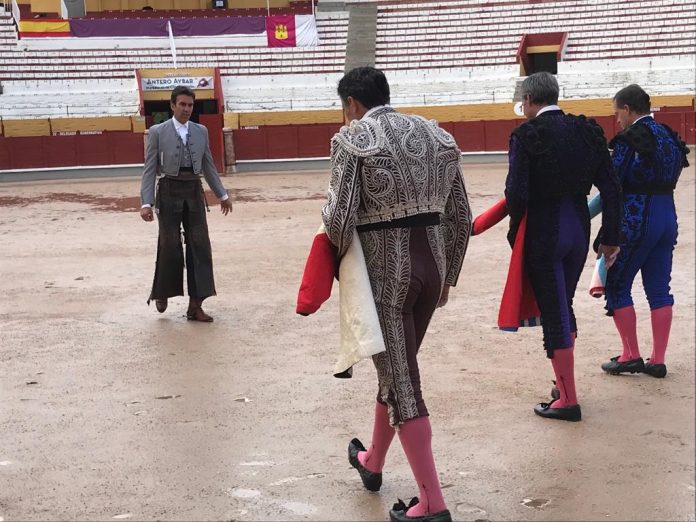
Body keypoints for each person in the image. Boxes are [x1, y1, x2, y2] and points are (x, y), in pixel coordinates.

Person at [321, 66, 471, 522]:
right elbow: (461, 218)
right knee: (397, 371)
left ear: (351, 103)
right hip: (432, 268)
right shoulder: (437, 136)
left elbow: (339, 221)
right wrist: (448, 277)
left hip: (387, 275)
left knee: (403, 382)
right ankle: (373, 463)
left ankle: (432, 503)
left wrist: (339, 258)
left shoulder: (352, 139)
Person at [504, 72, 622, 421]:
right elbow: (612, 188)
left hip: (545, 232)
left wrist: (516, 234)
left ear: (528, 100)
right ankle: (562, 384)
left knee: (554, 311)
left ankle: (568, 400)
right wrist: (610, 238)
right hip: (578, 229)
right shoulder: (587, 131)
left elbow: (517, 194)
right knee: (562, 304)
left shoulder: (525, 135)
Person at [600, 84, 689, 378]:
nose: (617, 121)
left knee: (616, 284)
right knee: (659, 289)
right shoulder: (668, 135)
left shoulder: (630, 139)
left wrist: (593, 220)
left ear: (627, 109)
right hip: (667, 215)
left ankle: (630, 355)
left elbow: (612, 186)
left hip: (637, 218)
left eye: (617, 114)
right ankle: (658, 360)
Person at [140, 85, 232, 322]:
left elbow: (209, 164)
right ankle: (162, 292)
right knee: (170, 244)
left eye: (190, 105)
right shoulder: (158, 132)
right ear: (172, 105)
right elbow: (149, 169)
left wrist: (222, 195)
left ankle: (195, 305)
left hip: (193, 189)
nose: (187, 109)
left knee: (200, 245)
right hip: (169, 190)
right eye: (182, 104)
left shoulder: (201, 131)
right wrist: (146, 202)